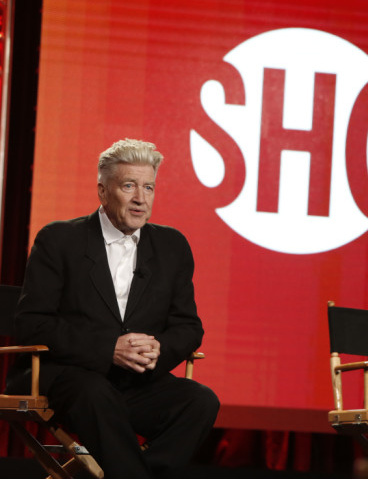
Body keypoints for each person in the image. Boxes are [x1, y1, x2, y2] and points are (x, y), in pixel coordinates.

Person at [12, 139, 220, 479]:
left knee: (200, 402)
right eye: (129, 186)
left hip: (134, 382)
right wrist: (108, 348)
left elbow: (188, 327)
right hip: (66, 375)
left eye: (148, 187)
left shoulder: (172, 246)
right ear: (102, 191)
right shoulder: (59, 240)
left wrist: (158, 350)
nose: (141, 198)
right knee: (96, 393)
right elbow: (32, 324)